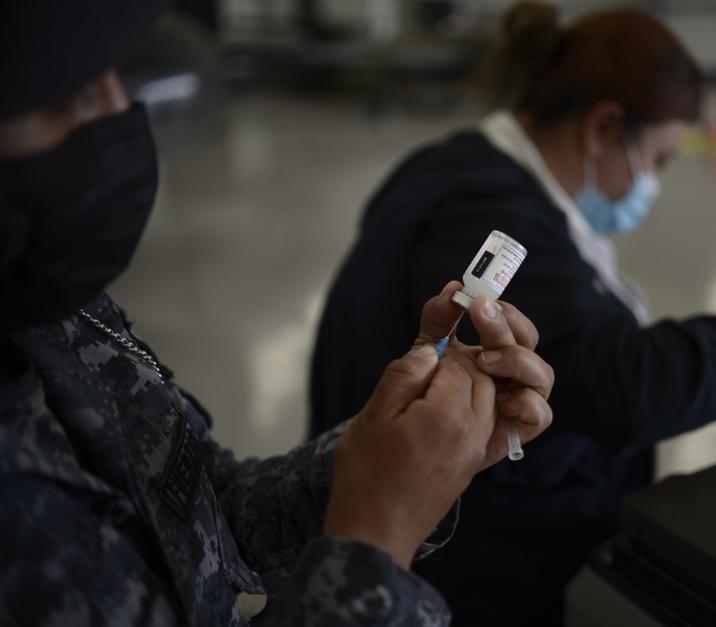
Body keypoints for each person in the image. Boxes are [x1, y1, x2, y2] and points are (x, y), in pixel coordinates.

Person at [308, 3, 716, 626]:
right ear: (604, 129)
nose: (653, 184)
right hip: (452, 569)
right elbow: (625, 381)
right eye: (658, 161)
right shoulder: (491, 217)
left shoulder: (459, 163)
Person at [0, 3, 554, 625]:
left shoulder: (49, 310)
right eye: (62, 93)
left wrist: (391, 456)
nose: (116, 108)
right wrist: (377, 539)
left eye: (110, 71)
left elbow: (210, 512)